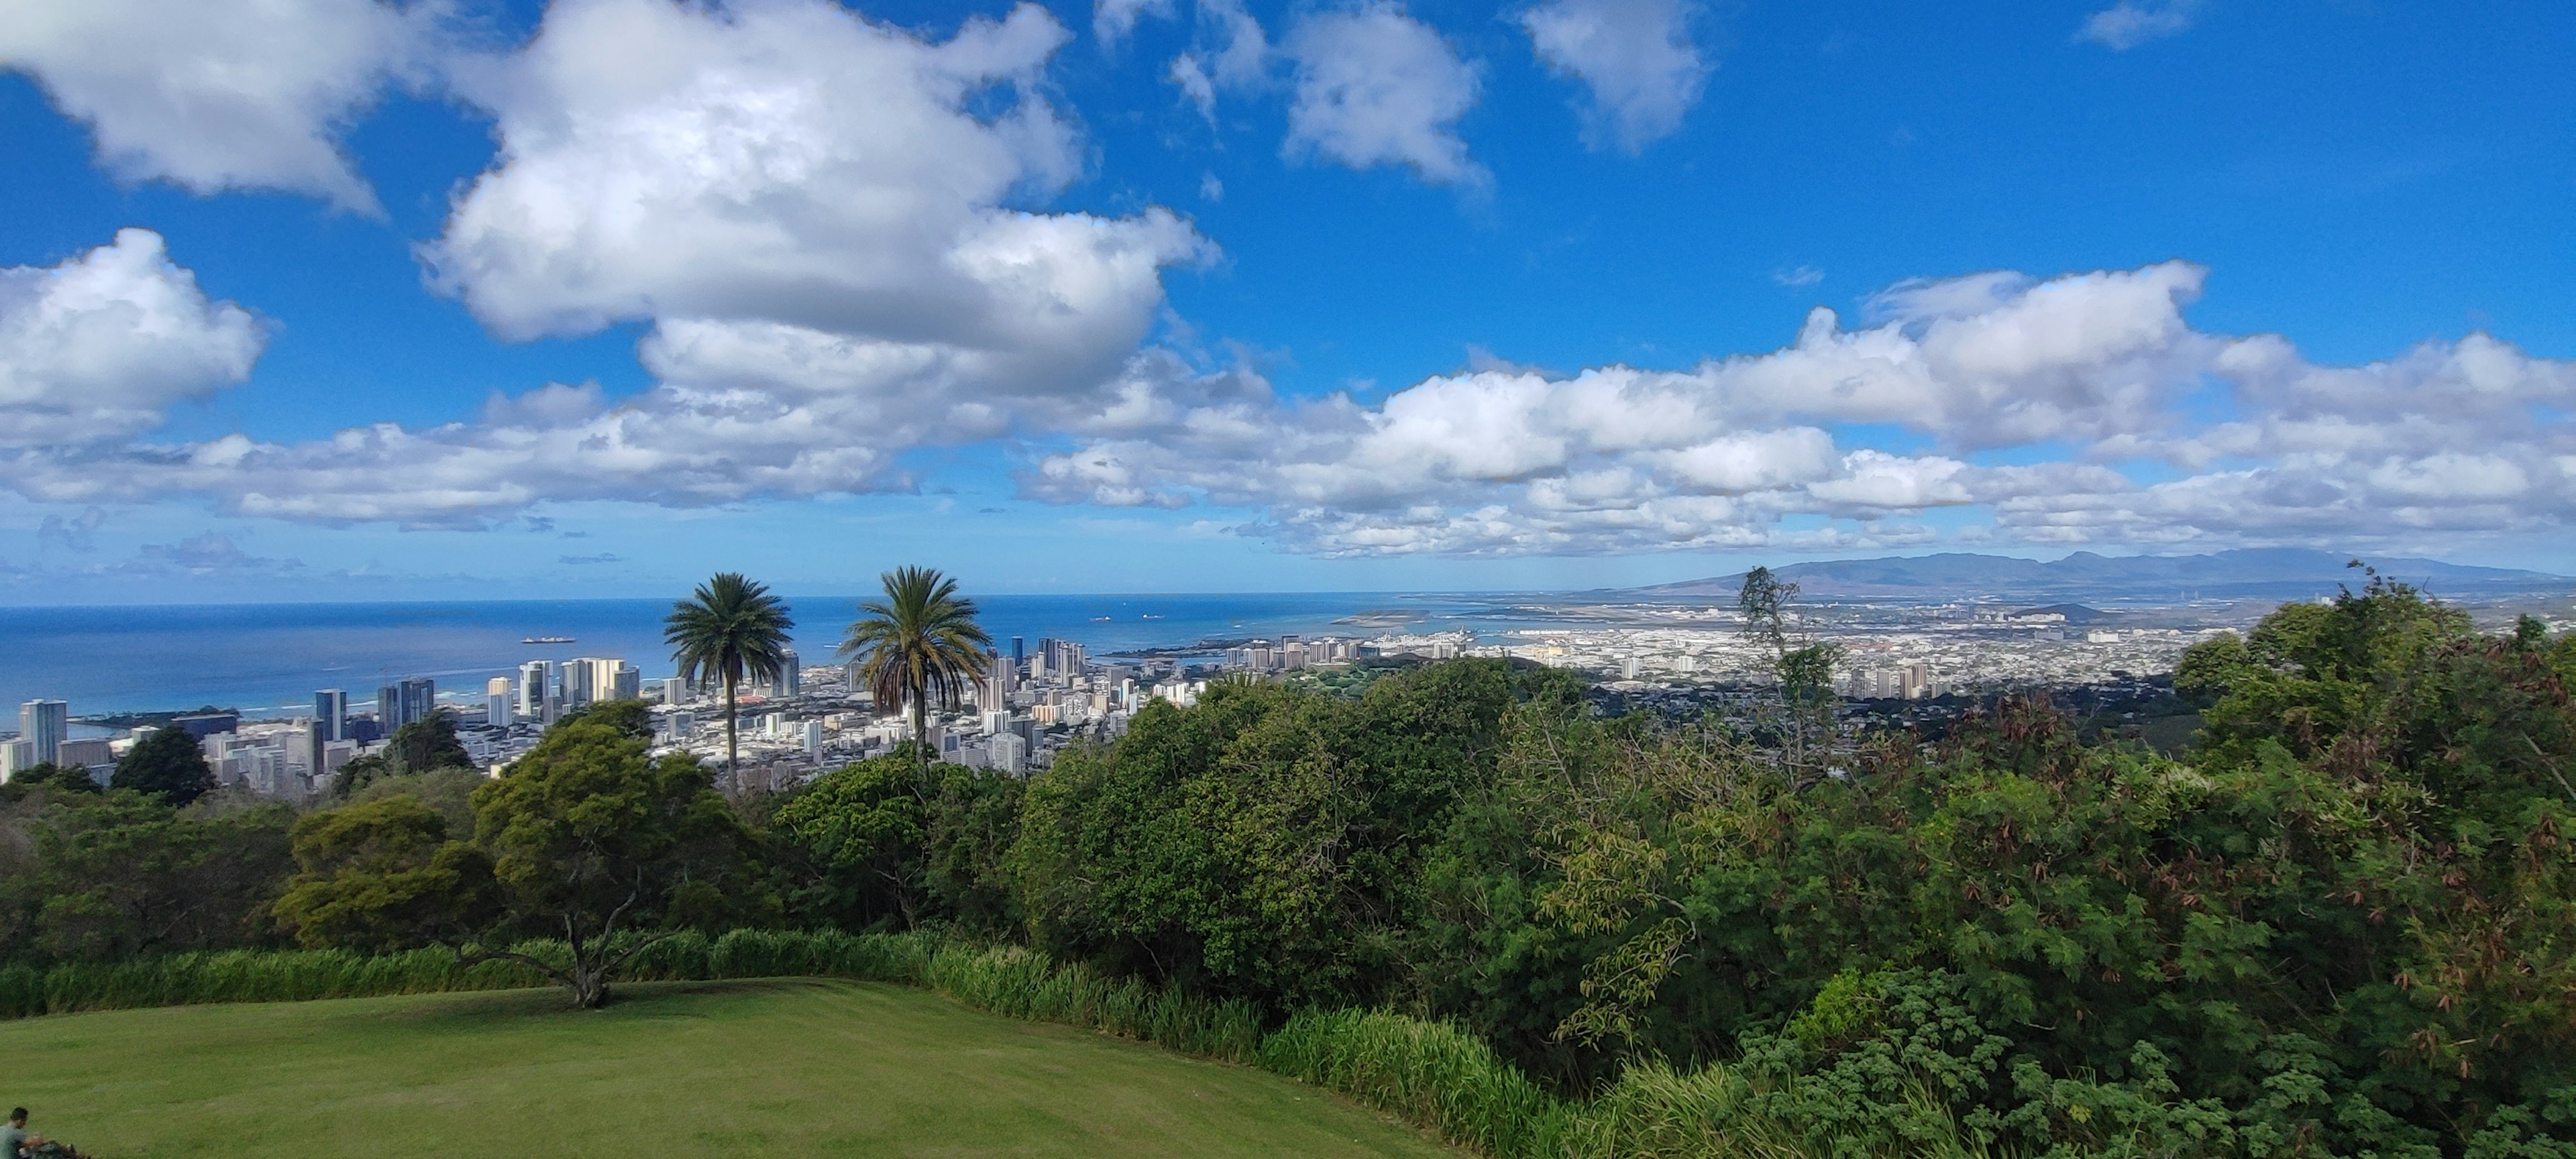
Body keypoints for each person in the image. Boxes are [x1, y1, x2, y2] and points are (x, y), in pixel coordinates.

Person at [1, 1108, 78, 1158]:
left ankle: (70, 1153)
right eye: (24, 1121)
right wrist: (38, 1135)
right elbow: (38, 1143)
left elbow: (17, 1144)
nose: (25, 1124)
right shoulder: (16, 1133)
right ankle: (75, 1156)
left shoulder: (2, 1129)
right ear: (20, 1121)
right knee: (50, 1148)